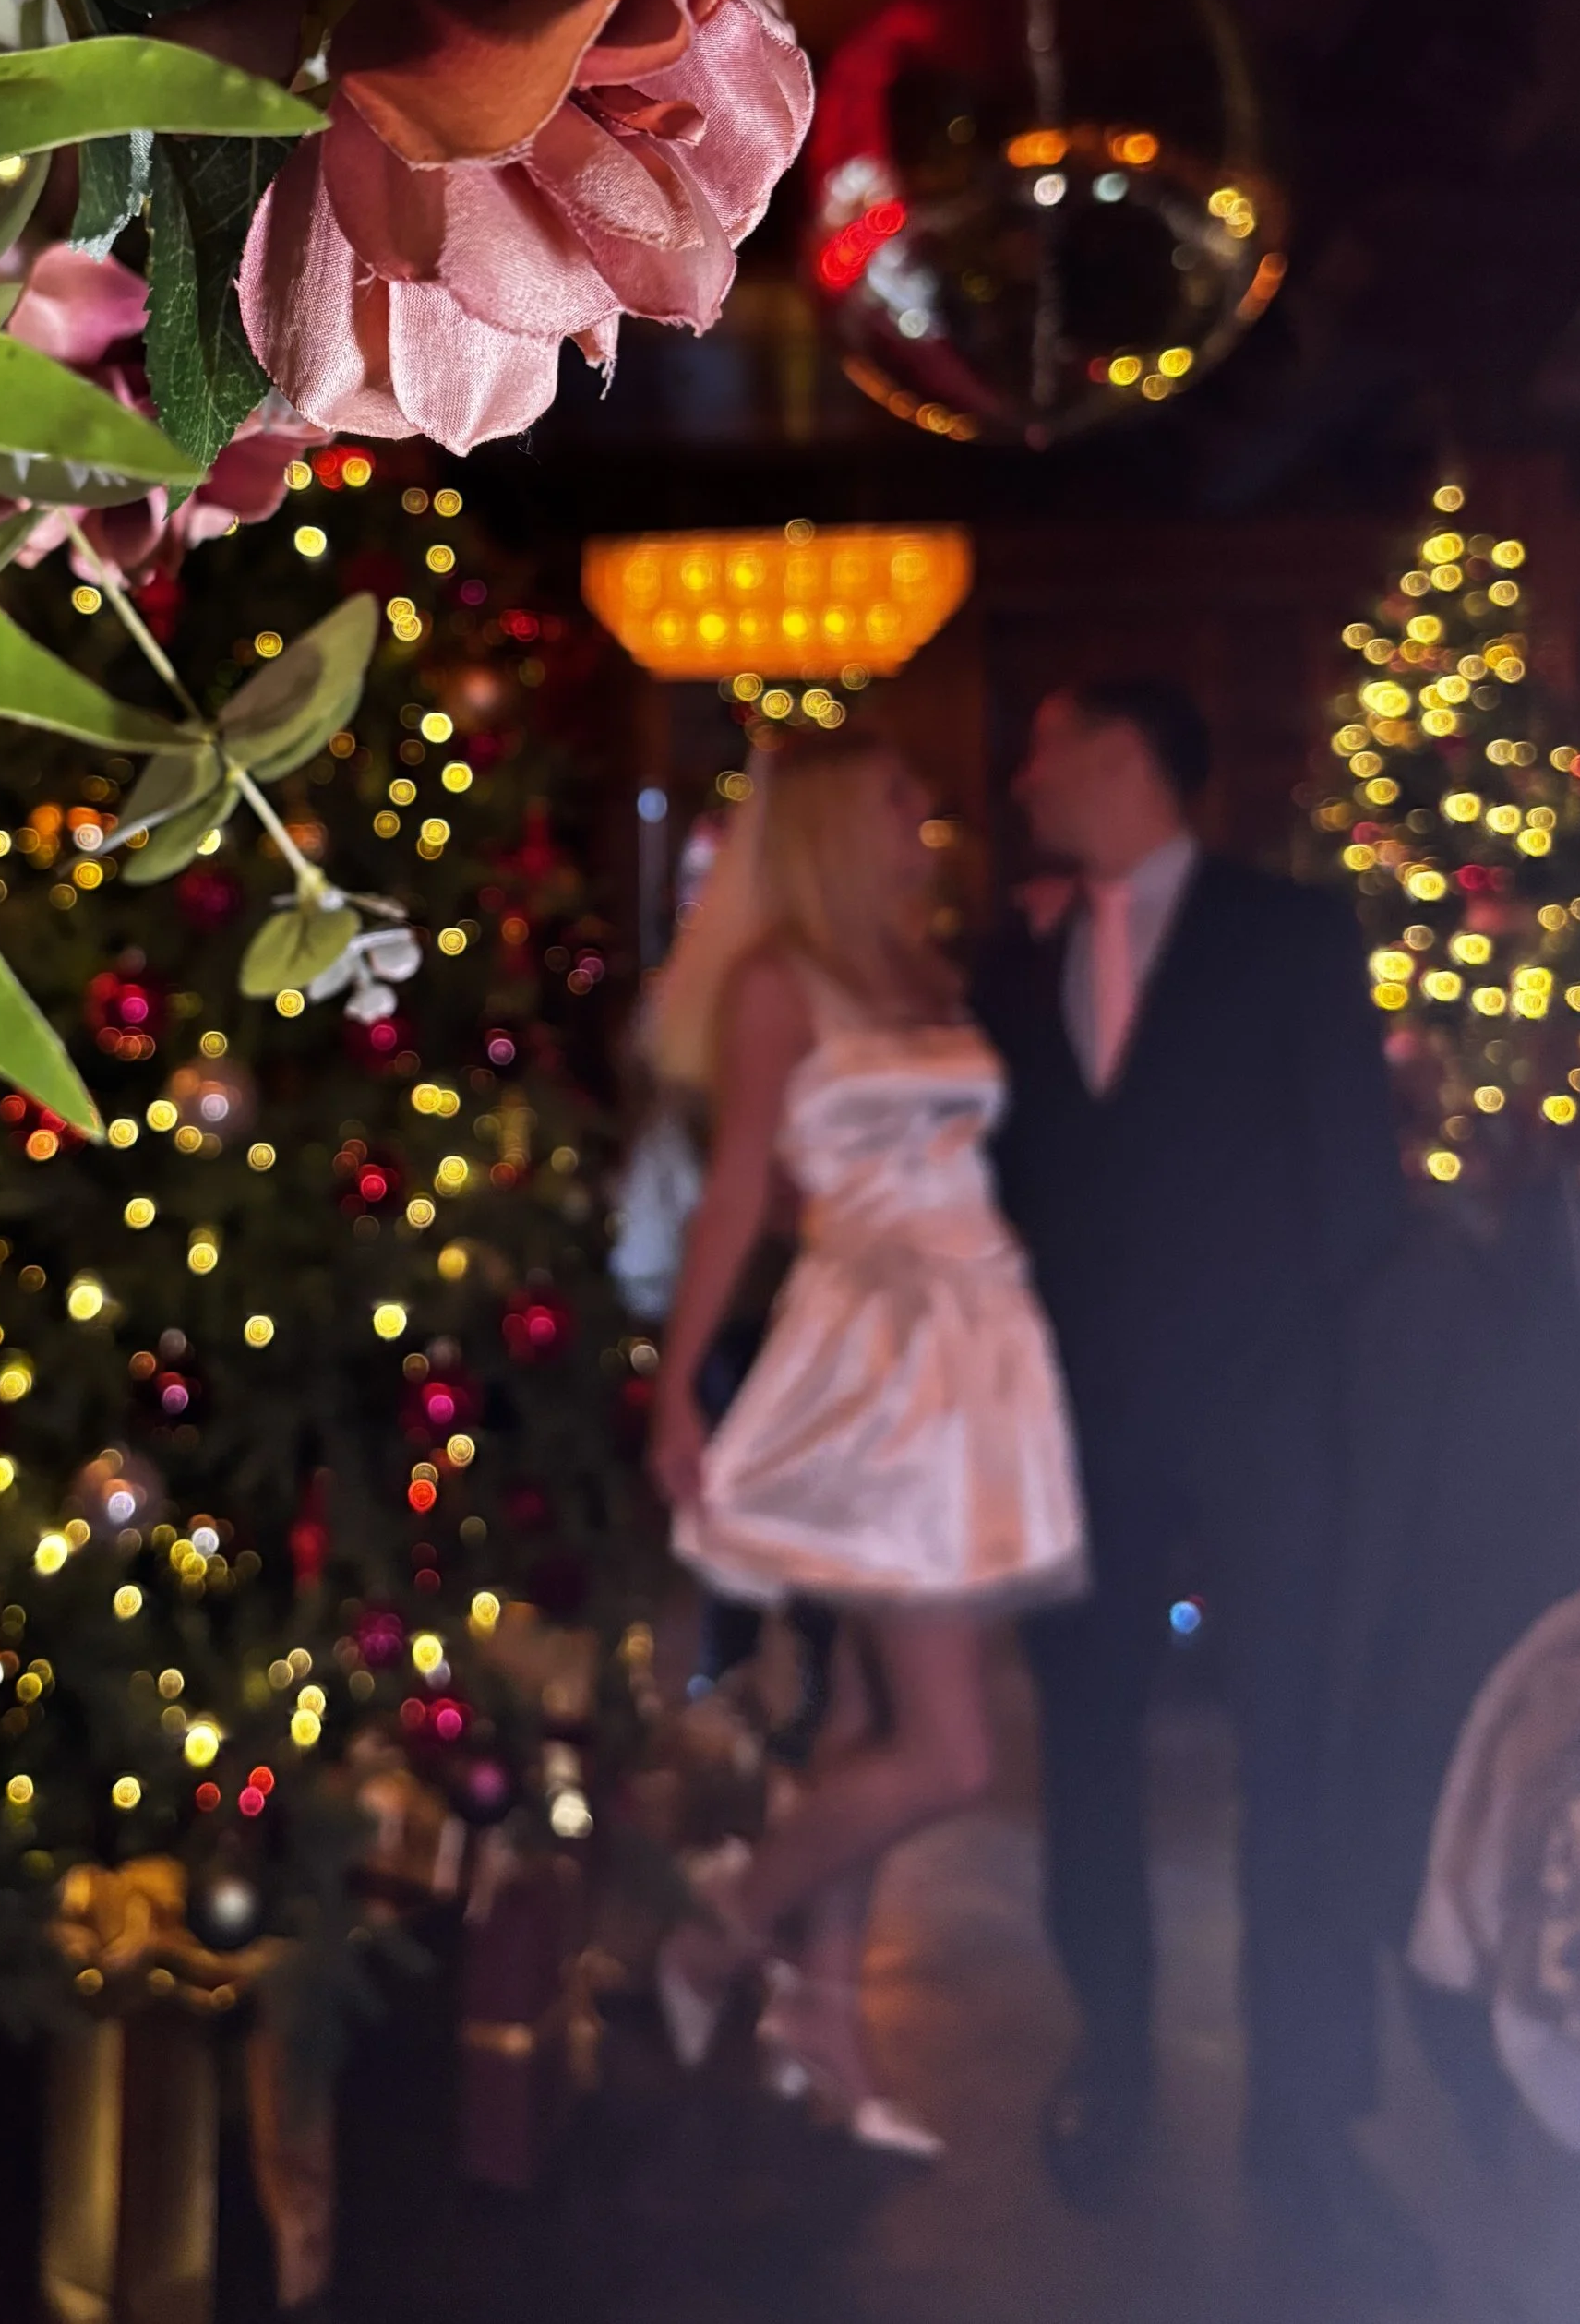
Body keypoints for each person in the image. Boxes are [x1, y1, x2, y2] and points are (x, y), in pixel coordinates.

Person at [973, 679, 1423, 2295]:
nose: (1023, 779)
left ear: (1120, 760)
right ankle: (1116, 2053)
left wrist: (1332, 1424)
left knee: (1292, 1761)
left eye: (1047, 749)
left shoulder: (1290, 935)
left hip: (1269, 1428)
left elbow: (1357, 1199)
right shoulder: (1015, 955)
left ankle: (1302, 2116)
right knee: (1086, 1755)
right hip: (1082, 1431)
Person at [646, 733, 1086, 2150]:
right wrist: (675, 1392)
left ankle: (823, 2006)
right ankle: (724, 1926)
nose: (930, 817)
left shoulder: (923, 968)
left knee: (872, 1719)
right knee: (953, 1751)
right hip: (884, 1364)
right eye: (908, 795)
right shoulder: (779, 984)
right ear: (845, 823)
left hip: (982, 1347)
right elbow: (732, 1199)